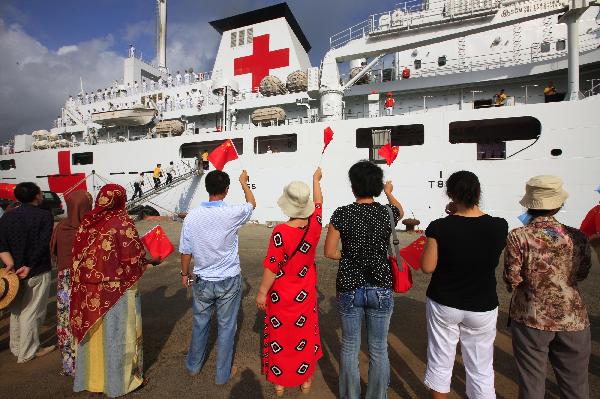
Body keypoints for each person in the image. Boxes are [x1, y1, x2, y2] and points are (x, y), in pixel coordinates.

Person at [420, 171, 508, 399]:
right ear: (478, 193)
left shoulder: (439, 227)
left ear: (450, 194)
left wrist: (450, 216)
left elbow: (427, 267)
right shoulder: (499, 226)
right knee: (481, 367)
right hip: (482, 303)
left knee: (440, 360)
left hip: (445, 302)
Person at [504, 175, 592, 399]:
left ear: (529, 204)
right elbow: (582, 273)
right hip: (573, 317)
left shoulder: (518, 236)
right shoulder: (579, 237)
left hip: (531, 316)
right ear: (560, 203)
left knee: (532, 384)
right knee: (576, 386)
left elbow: (511, 278)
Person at [71, 184, 161, 397]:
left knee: (93, 336)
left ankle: (91, 380)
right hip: (117, 291)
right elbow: (132, 259)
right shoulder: (122, 223)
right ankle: (119, 383)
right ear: (120, 200)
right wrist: (149, 260)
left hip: (89, 290)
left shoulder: (87, 223)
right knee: (120, 336)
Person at [324, 160, 404, 399]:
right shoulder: (386, 212)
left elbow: (329, 252)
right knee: (379, 347)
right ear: (377, 186)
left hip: (349, 285)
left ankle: (350, 395)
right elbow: (399, 209)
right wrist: (389, 193)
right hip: (380, 286)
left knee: (349, 346)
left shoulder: (342, 213)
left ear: (353, 187)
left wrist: (348, 255)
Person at [180, 170, 255, 385]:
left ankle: (194, 366)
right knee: (226, 327)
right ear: (226, 190)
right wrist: (244, 183)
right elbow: (252, 203)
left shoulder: (192, 216)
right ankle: (222, 375)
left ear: (207, 188)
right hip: (228, 279)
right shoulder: (232, 213)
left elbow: (186, 251)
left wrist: (184, 274)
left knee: (200, 324)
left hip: (202, 278)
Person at [256, 168, 324, 397]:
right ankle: (305, 382)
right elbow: (320, 202)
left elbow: (272, 266)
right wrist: (316, 180)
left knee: (281, 338)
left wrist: (262, 292)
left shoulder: (280, 232)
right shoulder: (315, 226)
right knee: (304, 336)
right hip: (305, 294)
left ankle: (280, 384)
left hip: (281, 296)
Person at [0, 182, 55, 363]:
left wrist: (10, 265)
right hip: (36, 270)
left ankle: (16, 347)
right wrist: (30, 265)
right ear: (37, 195)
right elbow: (42, 244)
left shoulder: (7, 217)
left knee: (16, 311)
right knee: (32, 312)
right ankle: (28, 351)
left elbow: (2, 244)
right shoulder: (44, 215)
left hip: (13, 272)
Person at [50, 190, 92, 376]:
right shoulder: (90, 228)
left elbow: (54, 252)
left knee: (66, 322)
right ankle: (90, 365)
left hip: (64, 281)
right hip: (85, 281)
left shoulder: (60, 227)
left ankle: (70, 366)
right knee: (88, 321)